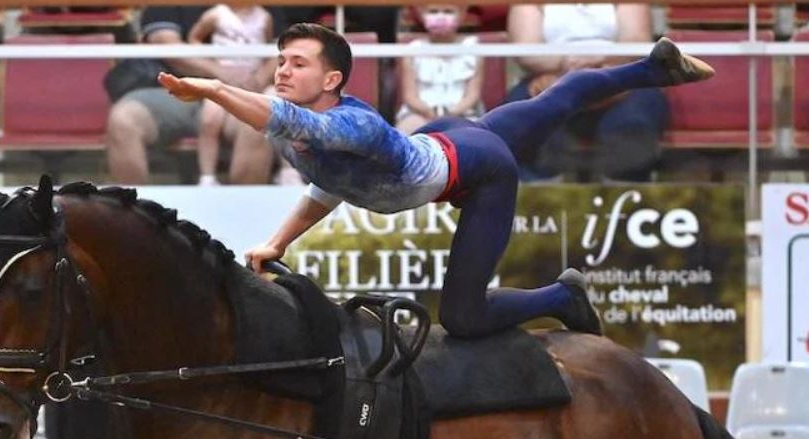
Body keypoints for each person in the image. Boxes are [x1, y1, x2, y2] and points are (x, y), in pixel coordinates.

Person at [159, 23, 714, 338]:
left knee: (464, 319)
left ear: (332, 80)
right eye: (280, 60)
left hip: (480, 167)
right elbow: (329, 183)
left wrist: (209, 89)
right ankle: (655, 67)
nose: (281, 70)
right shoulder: (297, 132)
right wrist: (279, 241)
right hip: (449, 136)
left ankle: (563, 296)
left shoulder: (351, 121)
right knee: (555, 100)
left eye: (297, 63)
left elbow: (293, 123)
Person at [105, 6, 274, 184]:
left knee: (258, 121)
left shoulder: (263, 8)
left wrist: (257, 81)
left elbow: (285, 47)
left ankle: (247, 207)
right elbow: (165, 42)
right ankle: (131, 208)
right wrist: (221, 74)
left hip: (240, 93)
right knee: (123, 118)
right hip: (174, 91)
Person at [506, 3, 667, 182]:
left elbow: (637, 40)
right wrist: (567, 66)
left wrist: (600, 61)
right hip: (550, 77)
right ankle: (542, 194)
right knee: (523, 116)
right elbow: (526, 50)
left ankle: (624, 192)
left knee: (636, 118)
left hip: (619, 74)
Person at [188, 4, 276, 185]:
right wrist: (214, 63)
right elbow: (194, 38)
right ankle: (207, 177)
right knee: (209, 120)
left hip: (252, 81)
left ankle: (288, 172)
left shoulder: (264, 16)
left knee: (278, 109)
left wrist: (260, 78)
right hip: (220, 81)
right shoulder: (215, 13)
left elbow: (267, 48)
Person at [396, 4, 485, 134]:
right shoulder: (412, 50)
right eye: (433, 11)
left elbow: (473, 95)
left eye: (448, 11)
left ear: (462, 14)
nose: (440, 16)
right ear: (421, 14)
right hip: (419, 113)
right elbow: (410, 96)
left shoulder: (473, 48)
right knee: (407, 130)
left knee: (470, 133)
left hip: (463, 113)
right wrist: (429, 113)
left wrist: (450, 113)